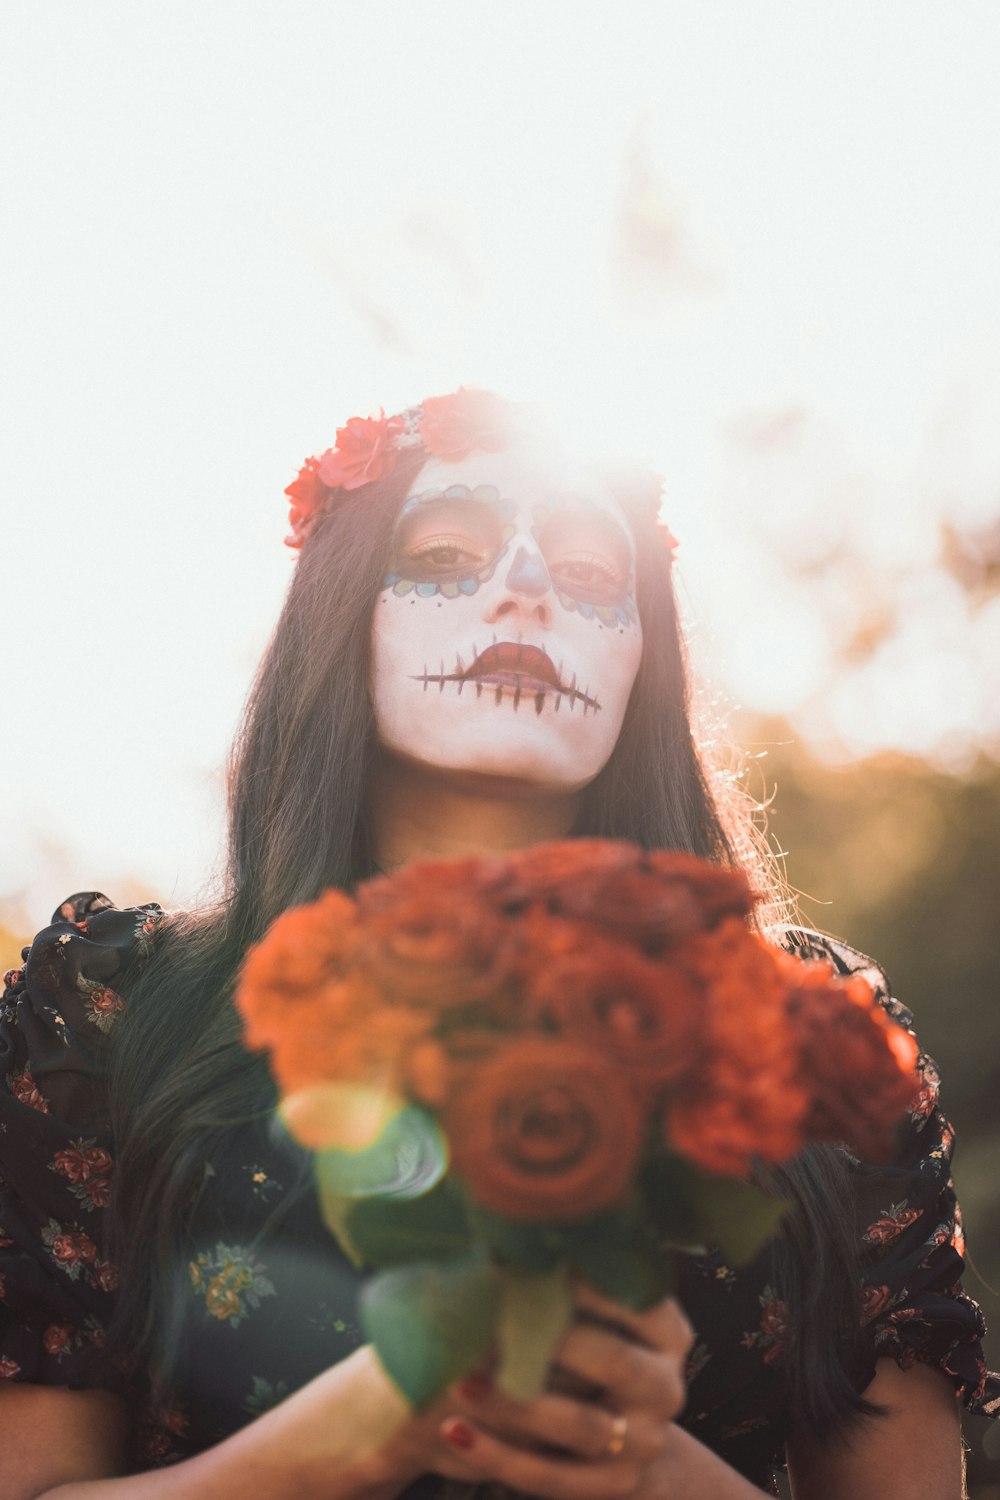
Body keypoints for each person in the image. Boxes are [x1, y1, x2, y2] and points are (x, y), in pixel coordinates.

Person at [1, 387, 995, 1499]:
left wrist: (651, 1467)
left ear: (645, 660)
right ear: (340, 612)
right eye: (442, 552)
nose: (523, 588)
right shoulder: (107, 1009)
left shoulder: (803, 1036)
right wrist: (354, 1437)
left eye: (585, 577)